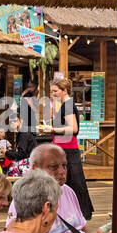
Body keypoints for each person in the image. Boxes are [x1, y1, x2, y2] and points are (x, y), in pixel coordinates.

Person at [8, 143, 95, 233]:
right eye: (53, 167)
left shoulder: (68, 191)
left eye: (64, 166)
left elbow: (82, 228)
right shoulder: (26, 198)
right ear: (35, 168)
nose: (61, 172)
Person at [48, 76, 92, 219]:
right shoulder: (65, 104)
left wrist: (53, 129)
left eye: (55, 91)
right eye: (52, 91)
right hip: (64, 146)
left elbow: (73, 128)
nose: (53, 94)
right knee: (71, 180)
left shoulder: (67, 105)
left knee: (74, 180)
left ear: (64, 90)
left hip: (68, 147)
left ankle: (82, 212)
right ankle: (77, 211)